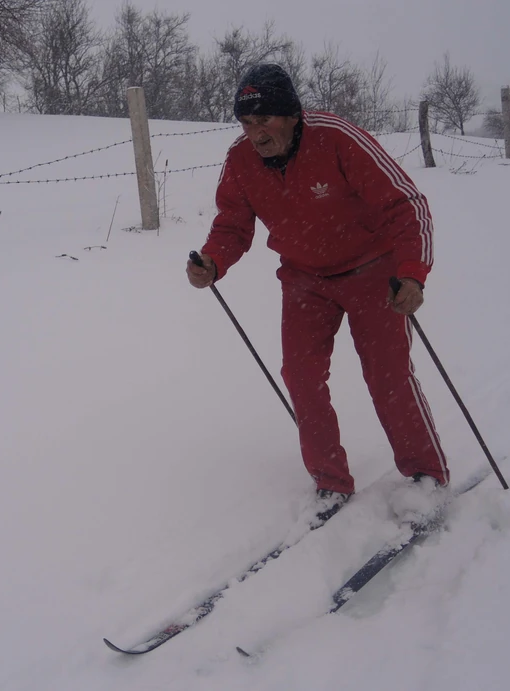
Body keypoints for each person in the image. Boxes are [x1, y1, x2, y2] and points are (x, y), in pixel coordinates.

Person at [186, 64, 449, 523]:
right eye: (246, 123)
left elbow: (405, 204)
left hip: (372, 270)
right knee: (301, 376)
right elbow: (232, 223)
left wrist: (412, 274)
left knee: (387, 374)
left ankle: (426, 475)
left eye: (264, 120)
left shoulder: (336, 138)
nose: (255, 133)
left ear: (291, 115)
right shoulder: (241, 160)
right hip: (305, 277)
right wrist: (213, 260)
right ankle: (330, 481)